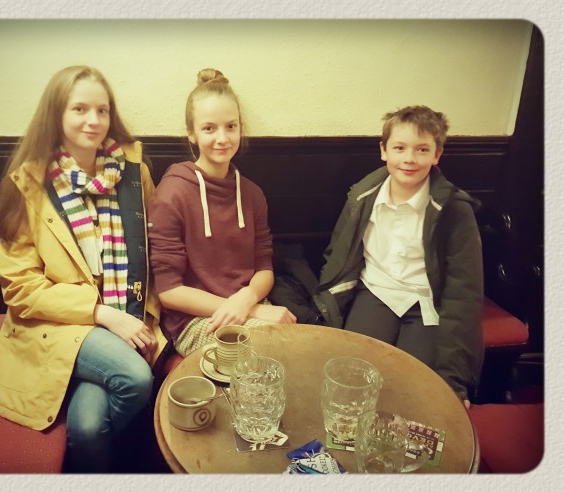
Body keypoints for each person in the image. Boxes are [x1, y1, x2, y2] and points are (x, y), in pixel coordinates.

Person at [0, 65, 162, 473]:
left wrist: (147, 309)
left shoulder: (134, 172)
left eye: (102, 110)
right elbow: (21, 289)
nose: (93, 120)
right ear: (56, 114)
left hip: (129, 312)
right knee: (135, 378)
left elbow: (157, 242)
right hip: (59, 326)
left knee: (89, 427)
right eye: (79, 109)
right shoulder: (28, 186)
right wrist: (102, 314)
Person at [314, 105, 484, 408]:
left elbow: (464, 292)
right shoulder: (362, 196)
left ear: (437, 155)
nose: (409, 158)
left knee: (415, 389)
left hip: (425, 302)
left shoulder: (455, 211)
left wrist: (453, 381)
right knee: (353, 379)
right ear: (384, 151)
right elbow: (337, 253)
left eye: (422, 150)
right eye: (399, 148)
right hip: (375, 291)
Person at [148, 68, 296, 356]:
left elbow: (264, 267)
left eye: (231, 126)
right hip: (195, 320)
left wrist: (248, 299)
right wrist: (248, 309)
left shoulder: (252, 194)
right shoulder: (172, 193)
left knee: (295, 349)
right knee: (263, 352)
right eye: (209, 128)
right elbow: (169, 292)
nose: (222, 138)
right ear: (191, 134)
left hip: (250, 306)